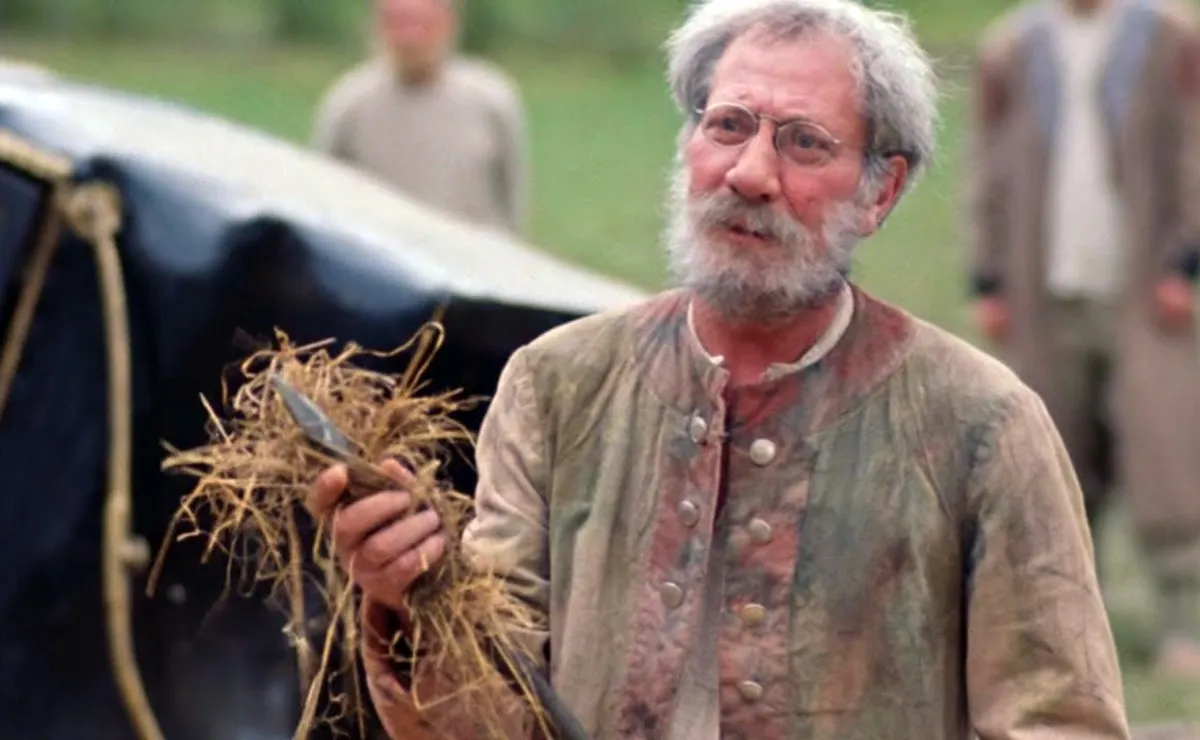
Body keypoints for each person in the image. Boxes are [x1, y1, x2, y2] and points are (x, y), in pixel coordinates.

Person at [309, 0, 1132, 737]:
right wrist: (410, 597)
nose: (750, 174)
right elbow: (486, 717)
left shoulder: (981, 424)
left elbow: (1060, 721)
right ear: (689, 144)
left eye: (804, 142)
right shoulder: (558, 386)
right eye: (729, 125)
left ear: (881, 191)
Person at [967, 0, 1200, 680]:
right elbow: (987, 164)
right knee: (1052, 458)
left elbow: (1193, 148)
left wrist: (1182, 260)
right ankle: (1059, 624)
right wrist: (989, 275)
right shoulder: (1012, 46)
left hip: (1141, 292)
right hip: (1043, 289)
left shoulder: (1168, 37)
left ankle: (1182, 622)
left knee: (1164, 454)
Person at [311, 0, 529, 235]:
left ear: (449, 24)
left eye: (422, 24)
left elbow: (511, 203)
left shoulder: (491, 100)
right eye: (396, 23)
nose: (409, 39)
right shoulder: (349, 104)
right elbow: (323, 199)